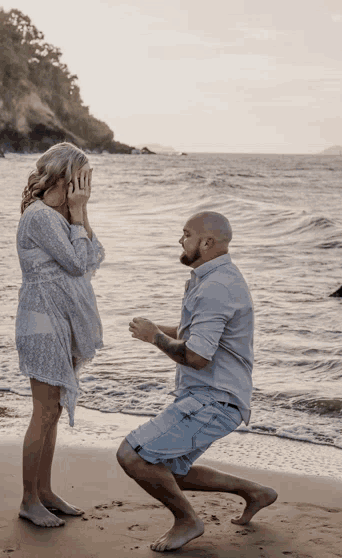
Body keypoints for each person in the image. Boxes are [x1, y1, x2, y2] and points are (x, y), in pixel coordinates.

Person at [117, 211, 277, 552]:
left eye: (186, 234)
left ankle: (188, 520)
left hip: (214, 399)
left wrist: (153, 338)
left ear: (207, 242)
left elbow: (196, 357)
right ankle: (254, 492)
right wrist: (157, 331)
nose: (180, 240)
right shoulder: (212, 278)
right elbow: (199, 336)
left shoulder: (216, 287)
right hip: (213, 396)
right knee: (166, 469)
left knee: (133, 455)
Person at [15, 142, 105, 528]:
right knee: (44, 409)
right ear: (66, 177)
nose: (85, 187)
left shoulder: (60, 216)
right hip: (41, 319)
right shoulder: (40, 217)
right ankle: (28, 500)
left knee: (52, 412)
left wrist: (77, 215)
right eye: (82, 178)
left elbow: (95, 255)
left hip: (61, 318)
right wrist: (79, 212)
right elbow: (75, 262)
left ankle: (46, 492)